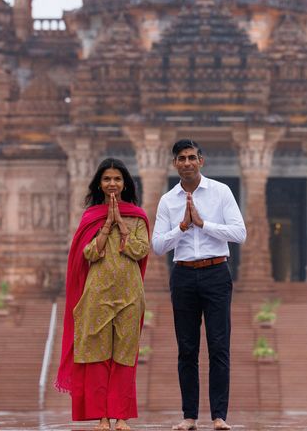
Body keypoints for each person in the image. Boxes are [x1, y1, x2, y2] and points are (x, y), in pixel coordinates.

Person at [152, 139, 247, 431]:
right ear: (174, 164)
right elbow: (156, 246)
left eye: (192, 157)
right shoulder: (168, 200)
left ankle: (219, 416)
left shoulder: (221, 192)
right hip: (183, 275)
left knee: (219, 346)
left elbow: (239, 233)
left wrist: (203, 224)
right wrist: (181, 227)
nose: (187, 163)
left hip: (216, 271)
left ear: (201, 161)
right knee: (187, 348)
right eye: (181, 158)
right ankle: (189, 416)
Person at [55, 158, 150, 431]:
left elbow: (140, 250)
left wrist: (121, 223)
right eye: (107, 179)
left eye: (117, 179)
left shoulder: (137, 217)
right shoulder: (91, 217)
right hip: (96, 294)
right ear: (99, 182)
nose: (112, 184)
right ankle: (102, 418)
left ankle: (121, 417)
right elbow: (89, 254)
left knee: (124, 355)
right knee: (97, 356)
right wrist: (106, 225)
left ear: (125, 184)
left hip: (130, 293)